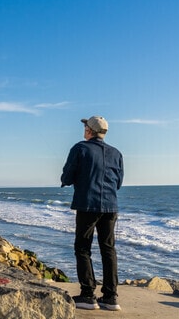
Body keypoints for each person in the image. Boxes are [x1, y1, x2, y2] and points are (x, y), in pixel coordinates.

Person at [60, 115, 124, 311]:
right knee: (108, 249)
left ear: (89, 130)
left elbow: (68, 176)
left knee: (83, 248)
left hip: (88, 205)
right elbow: (118, 182)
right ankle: (111, 297)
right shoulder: (116, 153)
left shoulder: (80, 148)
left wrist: (71, 179)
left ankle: (88, 295)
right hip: (110, 206)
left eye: (85, 126)